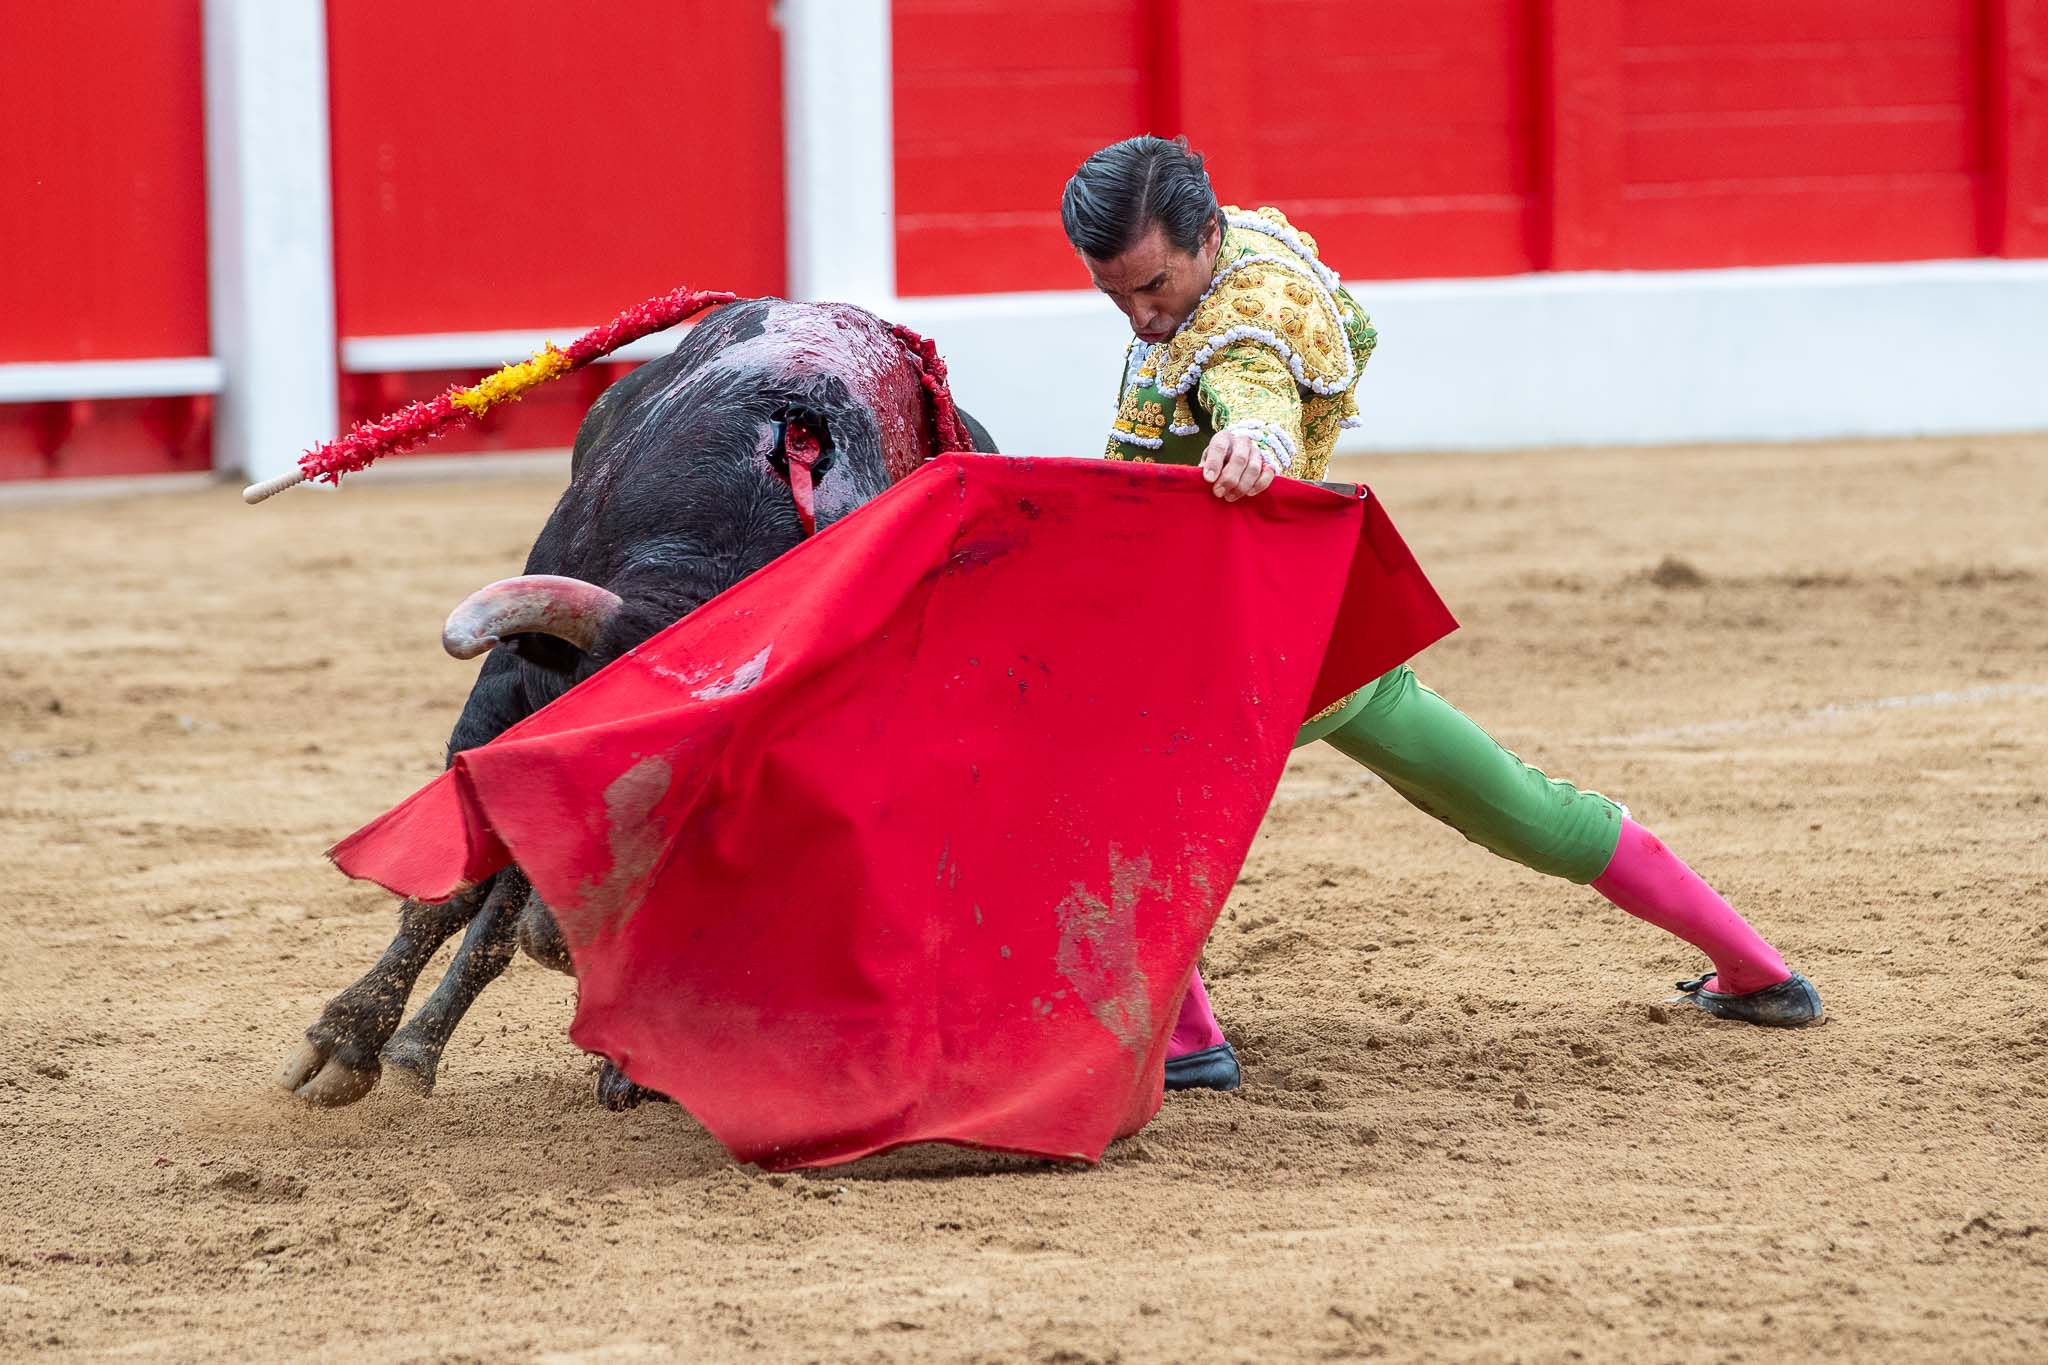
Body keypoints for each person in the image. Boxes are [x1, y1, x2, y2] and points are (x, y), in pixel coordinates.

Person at [1061, 136, 1823, 1092]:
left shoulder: (1245, 324)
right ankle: (1759, 970)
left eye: (1154, 287)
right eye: (1115, 296)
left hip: (1228, 645)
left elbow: (1251, 391)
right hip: (1320, 632)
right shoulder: (1247, 245)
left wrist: (1255, 438)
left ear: (1207, 236)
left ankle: (1188, 1041)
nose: (1140, 317)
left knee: (1112, 793)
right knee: (1512, 804)